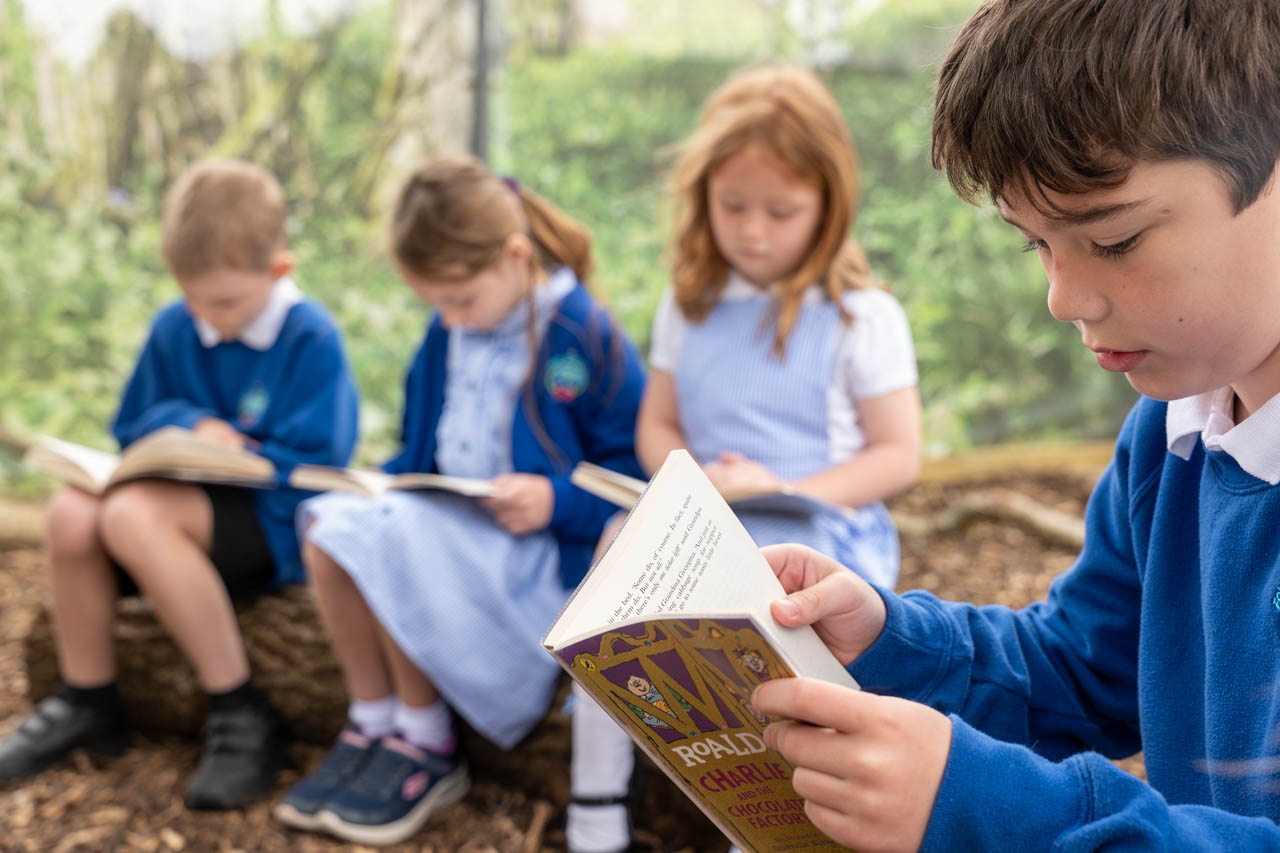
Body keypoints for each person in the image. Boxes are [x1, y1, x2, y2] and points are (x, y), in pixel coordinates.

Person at [749, 1, 1280, 850]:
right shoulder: (1170, 436)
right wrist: (886, 642)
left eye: (1115, 239)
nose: (1062, 297)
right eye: (1035, 242)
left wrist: (985, 809)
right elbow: (1081, 669)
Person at [566, 65, 922, 853]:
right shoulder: (687, 303)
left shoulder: (862, 315)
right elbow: (659, 424)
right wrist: (694, 485)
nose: (753, 230)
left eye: (780, 211)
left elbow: (897, 455)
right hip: (706, 517)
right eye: (733, 206)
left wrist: (781, 485)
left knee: (773, 627)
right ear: (702, 199)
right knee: (613, 565)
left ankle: (770, 823)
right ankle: (594, 798)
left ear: (829, 205)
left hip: (816, 527)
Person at [272, 156, 647, 846]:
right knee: (329, 522)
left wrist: (556, 499)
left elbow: (637, 478)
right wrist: (377, 479)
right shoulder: (449, 330)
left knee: (393, 533)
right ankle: (373, 719)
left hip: (534, 563)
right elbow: (423, 451)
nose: (451, 318)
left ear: (514, 257)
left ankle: (426, 740)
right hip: (450, 530)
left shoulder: (583, 333)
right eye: (438, 304)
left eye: (462, 300)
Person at [0, 159, 360, 810]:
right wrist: (191, 425)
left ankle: (240, 708)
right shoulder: (176, 325)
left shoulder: (311, 336)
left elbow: (319, 460)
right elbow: (131, 421)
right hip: (171, 510)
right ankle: (87, 697)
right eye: (192, 297)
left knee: (131, 514)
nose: (206, 315)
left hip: (271, 522)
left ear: (279, 269)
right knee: (71, 512)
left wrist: (241, 451)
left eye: (223, 302)